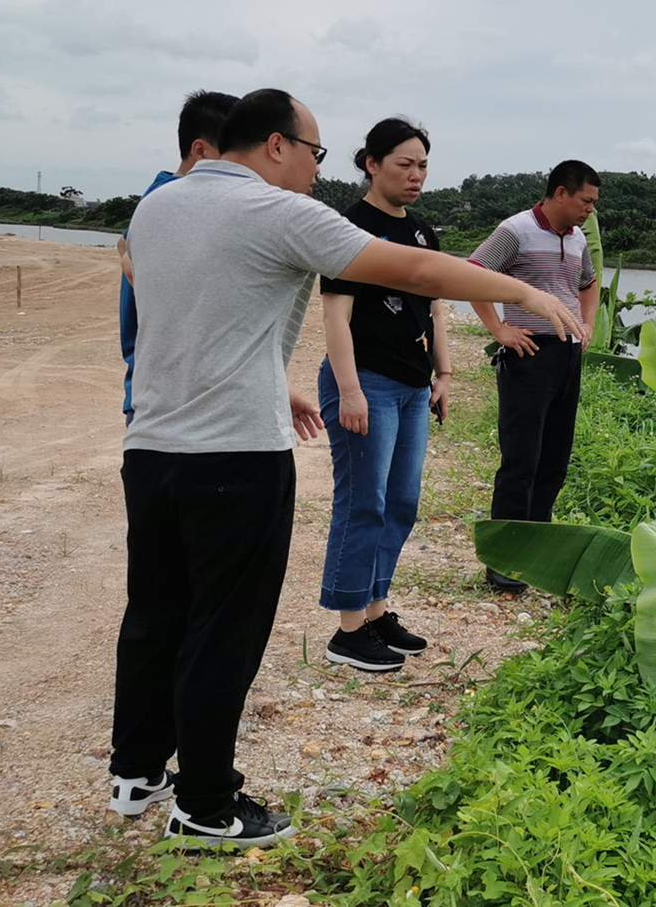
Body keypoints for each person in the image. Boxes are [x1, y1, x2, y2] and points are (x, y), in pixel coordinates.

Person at [111, 89, 585, 849]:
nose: (313, 167)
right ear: (275, 145)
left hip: (153, 451)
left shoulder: (157, 208)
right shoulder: (278, 212)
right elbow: (420, 275)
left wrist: (279, 379)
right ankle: (204, 803)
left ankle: (135, 771)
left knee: (156, 611)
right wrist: (522, 289)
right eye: (314, 151)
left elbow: (190, 315)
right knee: (222, 630)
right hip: (234, 456)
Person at [316, 118, 448, 673]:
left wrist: (443, 374)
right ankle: (347, 631)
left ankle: (376, 611)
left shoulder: (421, 232)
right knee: (362, 502)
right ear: (371, 163)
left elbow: (436, 307)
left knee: (401, 503)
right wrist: (349, 390)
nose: (415, 176)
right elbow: (335, 316)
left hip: (414, 388)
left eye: (422, 166)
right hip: (365, 383)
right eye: (404, 165)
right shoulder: (350, 228)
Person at [466, 161, 600, 591]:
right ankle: (504, 558)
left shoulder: (578, 237)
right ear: (561, 193)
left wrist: (588, 324)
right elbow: (474, 275)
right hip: (528, 354)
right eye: (586, 201)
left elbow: (588, 283)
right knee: (521, 459)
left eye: (594, 204)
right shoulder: (516, 230)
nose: (589, 211)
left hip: (567, 355)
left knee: (555, 460)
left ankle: (536, 551)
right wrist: (499, 329)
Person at [117, 90, 236, 425]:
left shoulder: (165, 197)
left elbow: (124, 246)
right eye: (234, 152)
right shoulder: (170, 200)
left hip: (172, 392)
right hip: (164, 397)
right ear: (200, 150)